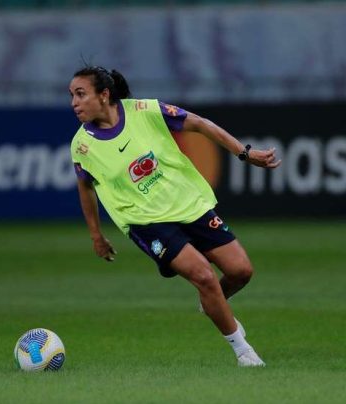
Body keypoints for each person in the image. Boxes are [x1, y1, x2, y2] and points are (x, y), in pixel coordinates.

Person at [68, 65, 281, 367]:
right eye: (71, 96)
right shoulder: (82, 145)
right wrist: (96, 235)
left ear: (104, 95)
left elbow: (200, 124)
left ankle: (213, 305)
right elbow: (85, 187)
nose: (74, 103)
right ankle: (243, 351)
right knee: (204, 277)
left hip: (187, 204)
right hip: (146, 222)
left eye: (80, 94)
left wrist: (244, 153)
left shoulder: (145, 110)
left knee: (241, 271)